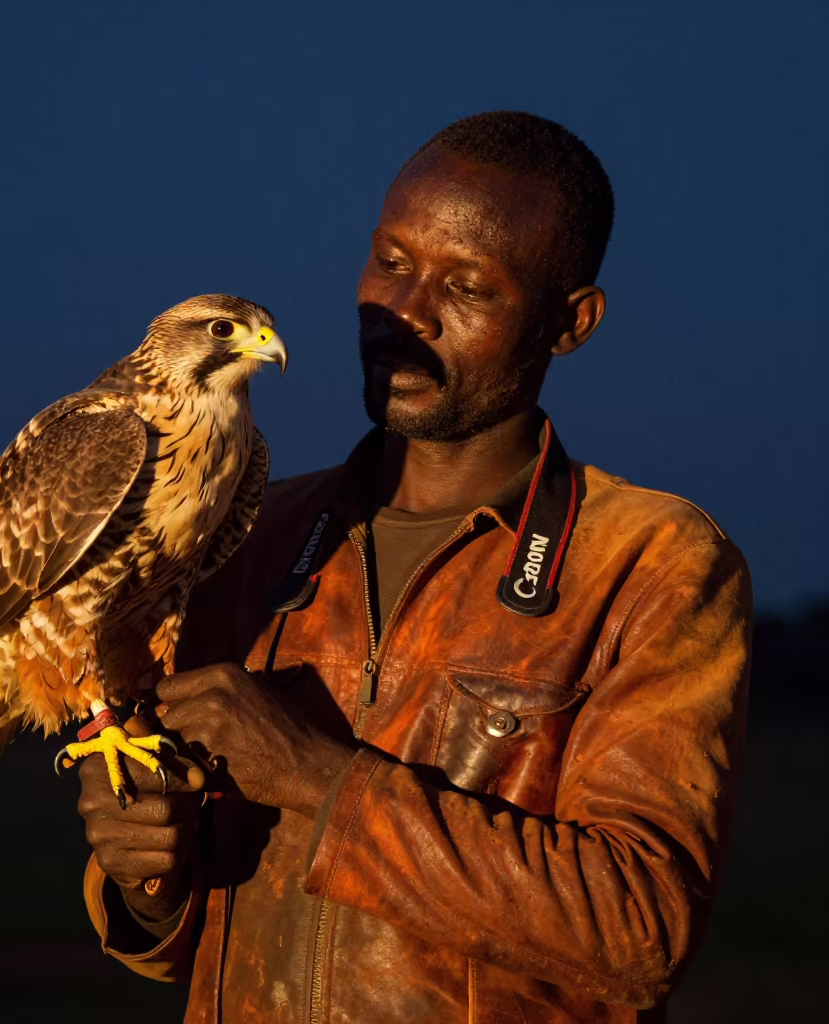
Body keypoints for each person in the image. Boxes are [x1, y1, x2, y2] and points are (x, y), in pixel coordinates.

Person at [75, 111, 751, 1023]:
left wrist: (320, 781)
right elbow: (187, 938)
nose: (405, 313)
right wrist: (139, 874)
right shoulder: (249, 533)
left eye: (467, 286)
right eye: (390, 263)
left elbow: (639, 930)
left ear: (570, 323)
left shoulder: (651, 564)